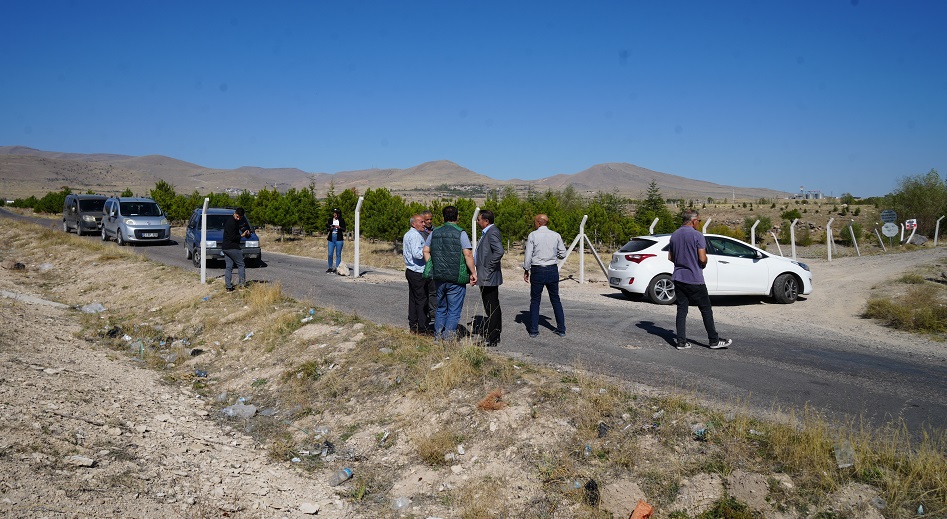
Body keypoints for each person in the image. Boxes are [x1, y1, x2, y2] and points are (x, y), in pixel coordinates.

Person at [667, 210, 732, 350]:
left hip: (678, 277)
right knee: (706, 309)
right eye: (699, 221)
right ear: (693, 221)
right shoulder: (697, 235)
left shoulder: (674, 235)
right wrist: (704, 262)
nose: (699, 223)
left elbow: (670, 257)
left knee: (682, 309)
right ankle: (714, 340)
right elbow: (702, 258)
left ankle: (681, 342)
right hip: (694, 278)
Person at [423, 206, 477, 341]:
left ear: (443, 217)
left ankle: (437, 337)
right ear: (457, 217)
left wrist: (433, 264)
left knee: (440, 308)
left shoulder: (434, 232)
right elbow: (468, 254)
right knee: (453, 310)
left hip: (439, 276)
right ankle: (448, 339)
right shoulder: (461, 233)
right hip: (456, 277)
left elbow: (425, 250)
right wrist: (473, 272)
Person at [523, 214, 566, 338]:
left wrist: (526, 269)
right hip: (552, 269)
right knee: (555, 299)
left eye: (535, 222)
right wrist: (552, 255)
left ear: (539, 223)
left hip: (538, 270)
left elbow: (528, 255)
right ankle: (561, 329)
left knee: (535, 300)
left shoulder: (533, 235)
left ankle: (533, 330)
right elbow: (563, 253)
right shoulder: (556, 235)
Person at [474, 209, 504, 347]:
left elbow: (499, 251)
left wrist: (489, 267)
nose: (477, 221)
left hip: (488, 276)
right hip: (486, 275)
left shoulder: (492, 232)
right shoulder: (488, 232)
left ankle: (492, 337)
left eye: (479, 219)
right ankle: (493, 334)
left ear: (486, 221)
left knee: (492, 306)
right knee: (490, 306)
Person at [403, 214, 430, 335]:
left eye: (424, 222)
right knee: (421, 300)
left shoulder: (409, 234)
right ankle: (422, 328)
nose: (424, 224)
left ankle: (413, 325)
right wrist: (428, 251)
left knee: (413, 299)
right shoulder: (415, 236)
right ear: (413, 223)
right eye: (421, 222)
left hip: (411, 270)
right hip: (417, 271)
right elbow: (417, 254)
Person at [222, 207, 251, 292]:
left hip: (225, 247)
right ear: (235, 213)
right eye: (237, 216)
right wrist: (242, 236)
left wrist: (247, 232)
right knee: (241, 265)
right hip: (232, 246)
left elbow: (243, 228)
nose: (238, 218)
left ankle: (228, 287)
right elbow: (233, 237)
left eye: (240, 217)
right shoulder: (232, 223)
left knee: (229, 267)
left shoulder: (234, 221)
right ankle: (242, 285)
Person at [420, 210, 436, 321]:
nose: (429, 221)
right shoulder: (419, 233)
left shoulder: (435, 231)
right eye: (427, 220)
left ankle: (433, 313)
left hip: (434, 265)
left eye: (430, 219)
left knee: (433, 291)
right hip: (423, 266)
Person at [326, 208, 346, 273]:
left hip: (339, 238)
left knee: (338, 254)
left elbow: (344, 229)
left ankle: (338, 268)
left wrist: (339, 227)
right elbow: (327, 228)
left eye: (336, 214)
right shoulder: (330, 220)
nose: (335, 215)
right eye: (334, 214)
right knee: (330, 253)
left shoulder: (341, 220)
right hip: (331, 238)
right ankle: (330, 267)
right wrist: (331, 228)